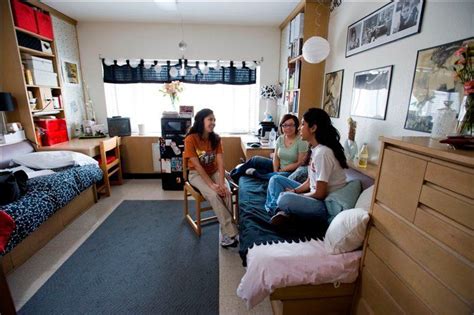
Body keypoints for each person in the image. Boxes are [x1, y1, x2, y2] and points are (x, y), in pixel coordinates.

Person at [265, 108, 348, 225]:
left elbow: (320, 193)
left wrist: (295, 194)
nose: (299, 128)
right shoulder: (315, 149)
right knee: (275, 179)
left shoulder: (323, 153)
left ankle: (280, 211)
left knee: (285, 198)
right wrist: (294, 190)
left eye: (303, 124)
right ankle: (278, 211)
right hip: (314, 195)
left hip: (323, 205)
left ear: (313, 128)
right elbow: (310, 182)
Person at [183, 108, 239, 248]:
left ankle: (226, 233)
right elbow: (197, 166)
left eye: (214, 120)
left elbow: (220, 162)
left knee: (226, 192)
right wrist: (212, 185)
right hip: (196, 174)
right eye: (210, 119)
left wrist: (221, 183)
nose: (213, 122)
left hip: (214, 171)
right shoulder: (190, 139)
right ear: (201, 121)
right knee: (214, 195)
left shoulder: (216, 138)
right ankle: (232, 232)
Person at [230, 114, 308, 182]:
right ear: (281, 127)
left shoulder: (301, 141)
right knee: (255, 159)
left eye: (291, 125)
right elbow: (276, 157)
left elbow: (300, 163)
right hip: (278, 168)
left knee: (276, 177)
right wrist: (275, 170)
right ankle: (233, 175)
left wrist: (282, 170)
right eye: (285, 125)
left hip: (290, 172)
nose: (288, 128)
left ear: (296, 126)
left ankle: (257, 174)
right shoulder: (280, 139)